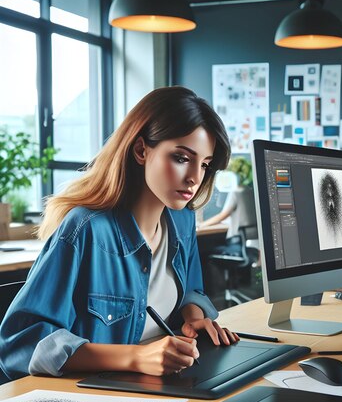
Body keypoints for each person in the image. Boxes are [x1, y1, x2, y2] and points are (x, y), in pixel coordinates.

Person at [0, 86, 239, 382]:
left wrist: (194, 317)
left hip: (164, 387)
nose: (194, 177)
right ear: (141, 150)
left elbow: (191, 289)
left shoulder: (182, 219)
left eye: (204, 164)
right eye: (180, 158)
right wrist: (136, 358)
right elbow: (21, 343)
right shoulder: (85, 229)